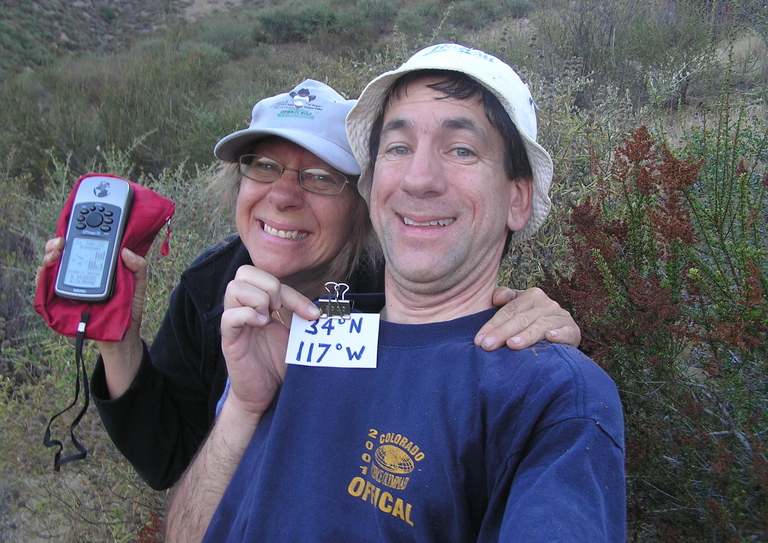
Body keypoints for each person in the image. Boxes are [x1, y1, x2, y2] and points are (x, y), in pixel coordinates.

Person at [164, 45, 625, 542]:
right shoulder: (305, 340)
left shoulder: (551, 396)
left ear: (518, 198)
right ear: (371, 183)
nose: (419, 178)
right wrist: (244, 408)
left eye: (461, 149)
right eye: (398, 147)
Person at [37, 79, 581, 491]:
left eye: (321, 177)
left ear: (361, 205)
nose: (283, 195)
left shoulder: (396, 293)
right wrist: (119, 342)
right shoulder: (209, 286)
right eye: (265, 166)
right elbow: (168, 462)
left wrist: (538, 326)